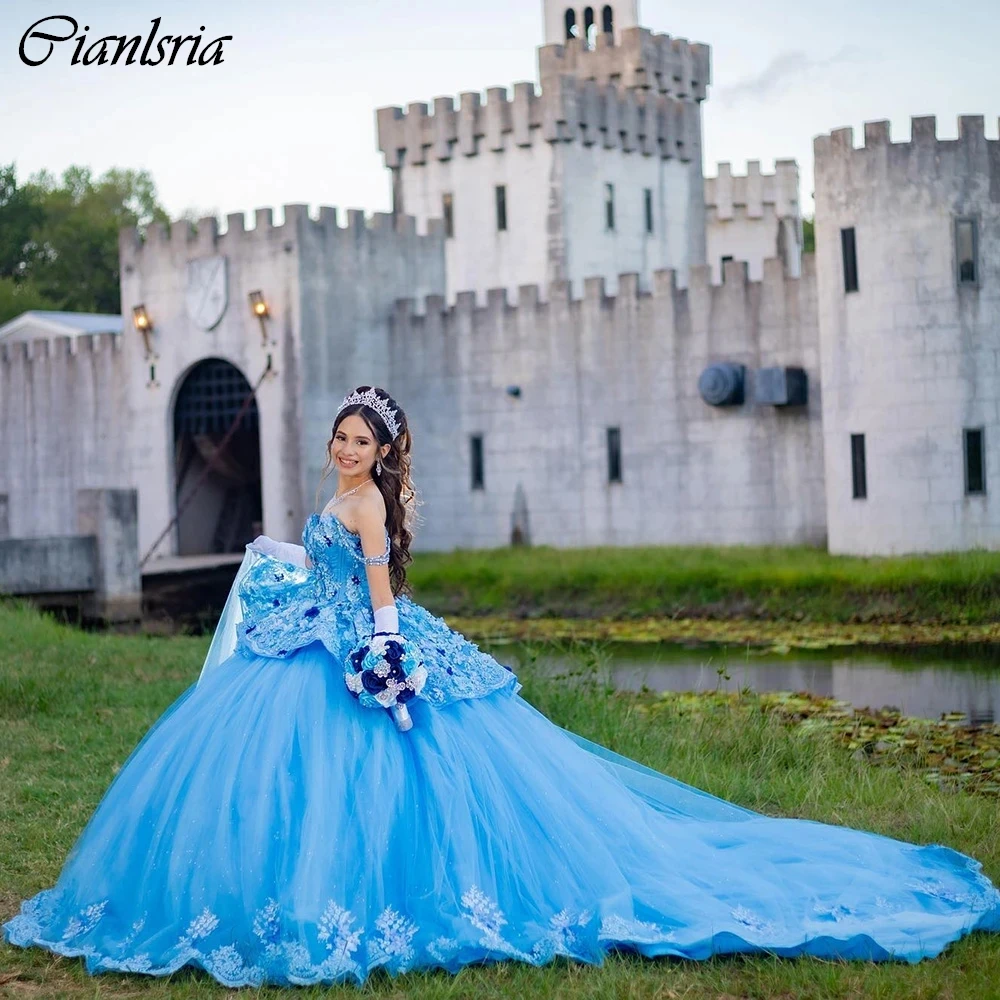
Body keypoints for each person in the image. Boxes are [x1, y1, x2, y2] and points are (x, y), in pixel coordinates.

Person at [4, 385, 999, 987]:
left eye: (360, 439)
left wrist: (385, 657)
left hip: (364, 647)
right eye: (340, 435)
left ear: (385, 450)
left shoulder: (368, 510)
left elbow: (383, 589)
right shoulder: (343, 499)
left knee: (396, 774)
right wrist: (281, 568)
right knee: (278, 778)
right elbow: (335, 571)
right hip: (314, 633)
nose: (345, 447)